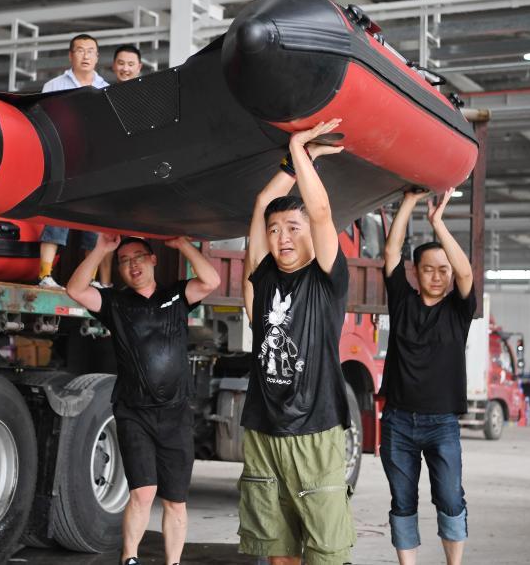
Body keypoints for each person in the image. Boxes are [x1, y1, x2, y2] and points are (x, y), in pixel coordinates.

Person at [237, 119, 355, 565]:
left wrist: (301, 150)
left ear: (309, 234)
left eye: (292, 227)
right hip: (264, 427)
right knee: (276, 548)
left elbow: (320, 213)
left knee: (326, 551)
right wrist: (294, 160)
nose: (281, 237)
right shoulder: (262, 275)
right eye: (274, 230)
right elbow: (262, 202)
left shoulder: (326, 279)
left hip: (315, 428)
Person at [66, 234, 220, 565]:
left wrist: (183, 245)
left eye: (138, 257)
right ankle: (130, 559)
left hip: (176, 413)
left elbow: (211, 280)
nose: (132, 265)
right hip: (134, 412)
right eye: (124, 261)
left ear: (153, 260)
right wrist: (101, 250)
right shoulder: (115, 303)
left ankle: (172, 563)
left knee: (175, 499)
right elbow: (76, 290)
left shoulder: (176, 296)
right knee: (142, 493)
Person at [380, 188, 476, 565]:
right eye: (428, 269)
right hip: (398, 422)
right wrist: (409, 202)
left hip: (442, 424)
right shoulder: (402, 301)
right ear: (416, 273)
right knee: (403, 500)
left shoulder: (459, 311)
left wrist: (438, 223)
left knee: (450, 498)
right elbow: (391, 253)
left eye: (443, 269)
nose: (437, 276)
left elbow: (466, 272)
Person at [37, 33, 110, 288]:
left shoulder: (106, 89)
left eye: (90, 51)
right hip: (63, 159)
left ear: (97, 57)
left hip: (94, 164)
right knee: (56, 217)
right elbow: (41, 122)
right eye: (80, 50)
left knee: (92, 221)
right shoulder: (54, 86)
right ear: (71, 55)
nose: (85, 55)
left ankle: (89, 280)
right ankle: (45, 275)